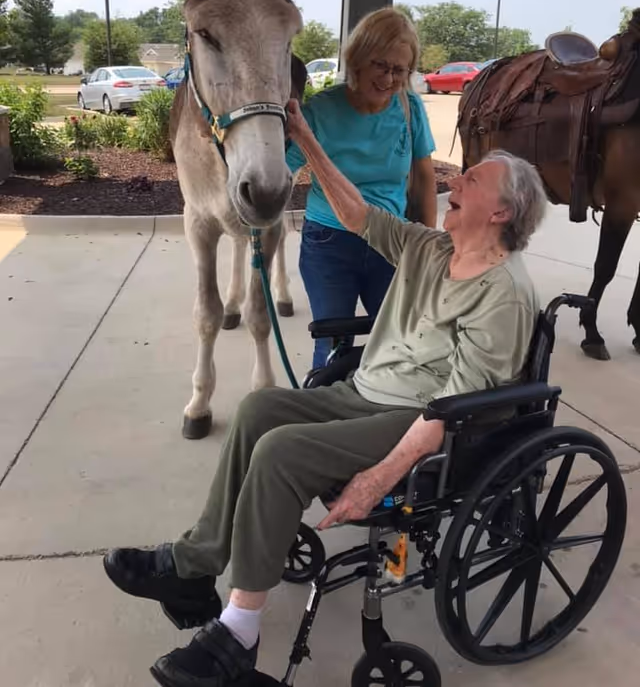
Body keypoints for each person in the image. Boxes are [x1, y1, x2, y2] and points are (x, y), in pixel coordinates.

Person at [104, 104, 547, 687]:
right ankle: (195, 565)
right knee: (259, 409)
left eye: (471, 179)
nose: (453, 181)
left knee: (281, 452)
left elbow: (448, 411)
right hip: (365, 391)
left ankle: (239, 632)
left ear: (502, 211)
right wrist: (305, 138)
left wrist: (377, 478)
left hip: (420, 419)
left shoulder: (504, 294)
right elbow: (357, 213)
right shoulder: (432, 249)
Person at [287, 7, 438, 369]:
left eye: (399, 70)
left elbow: (424, 180)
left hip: (391, 241)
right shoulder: (321, 111)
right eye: (380, 66)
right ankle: (325, 416)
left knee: (399, 342)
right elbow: (282, 172)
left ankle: (372, 415)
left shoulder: (409, 108)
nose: (389, 79)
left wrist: (429, 247)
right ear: (357, 61)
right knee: (333, 347)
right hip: (330, 242)